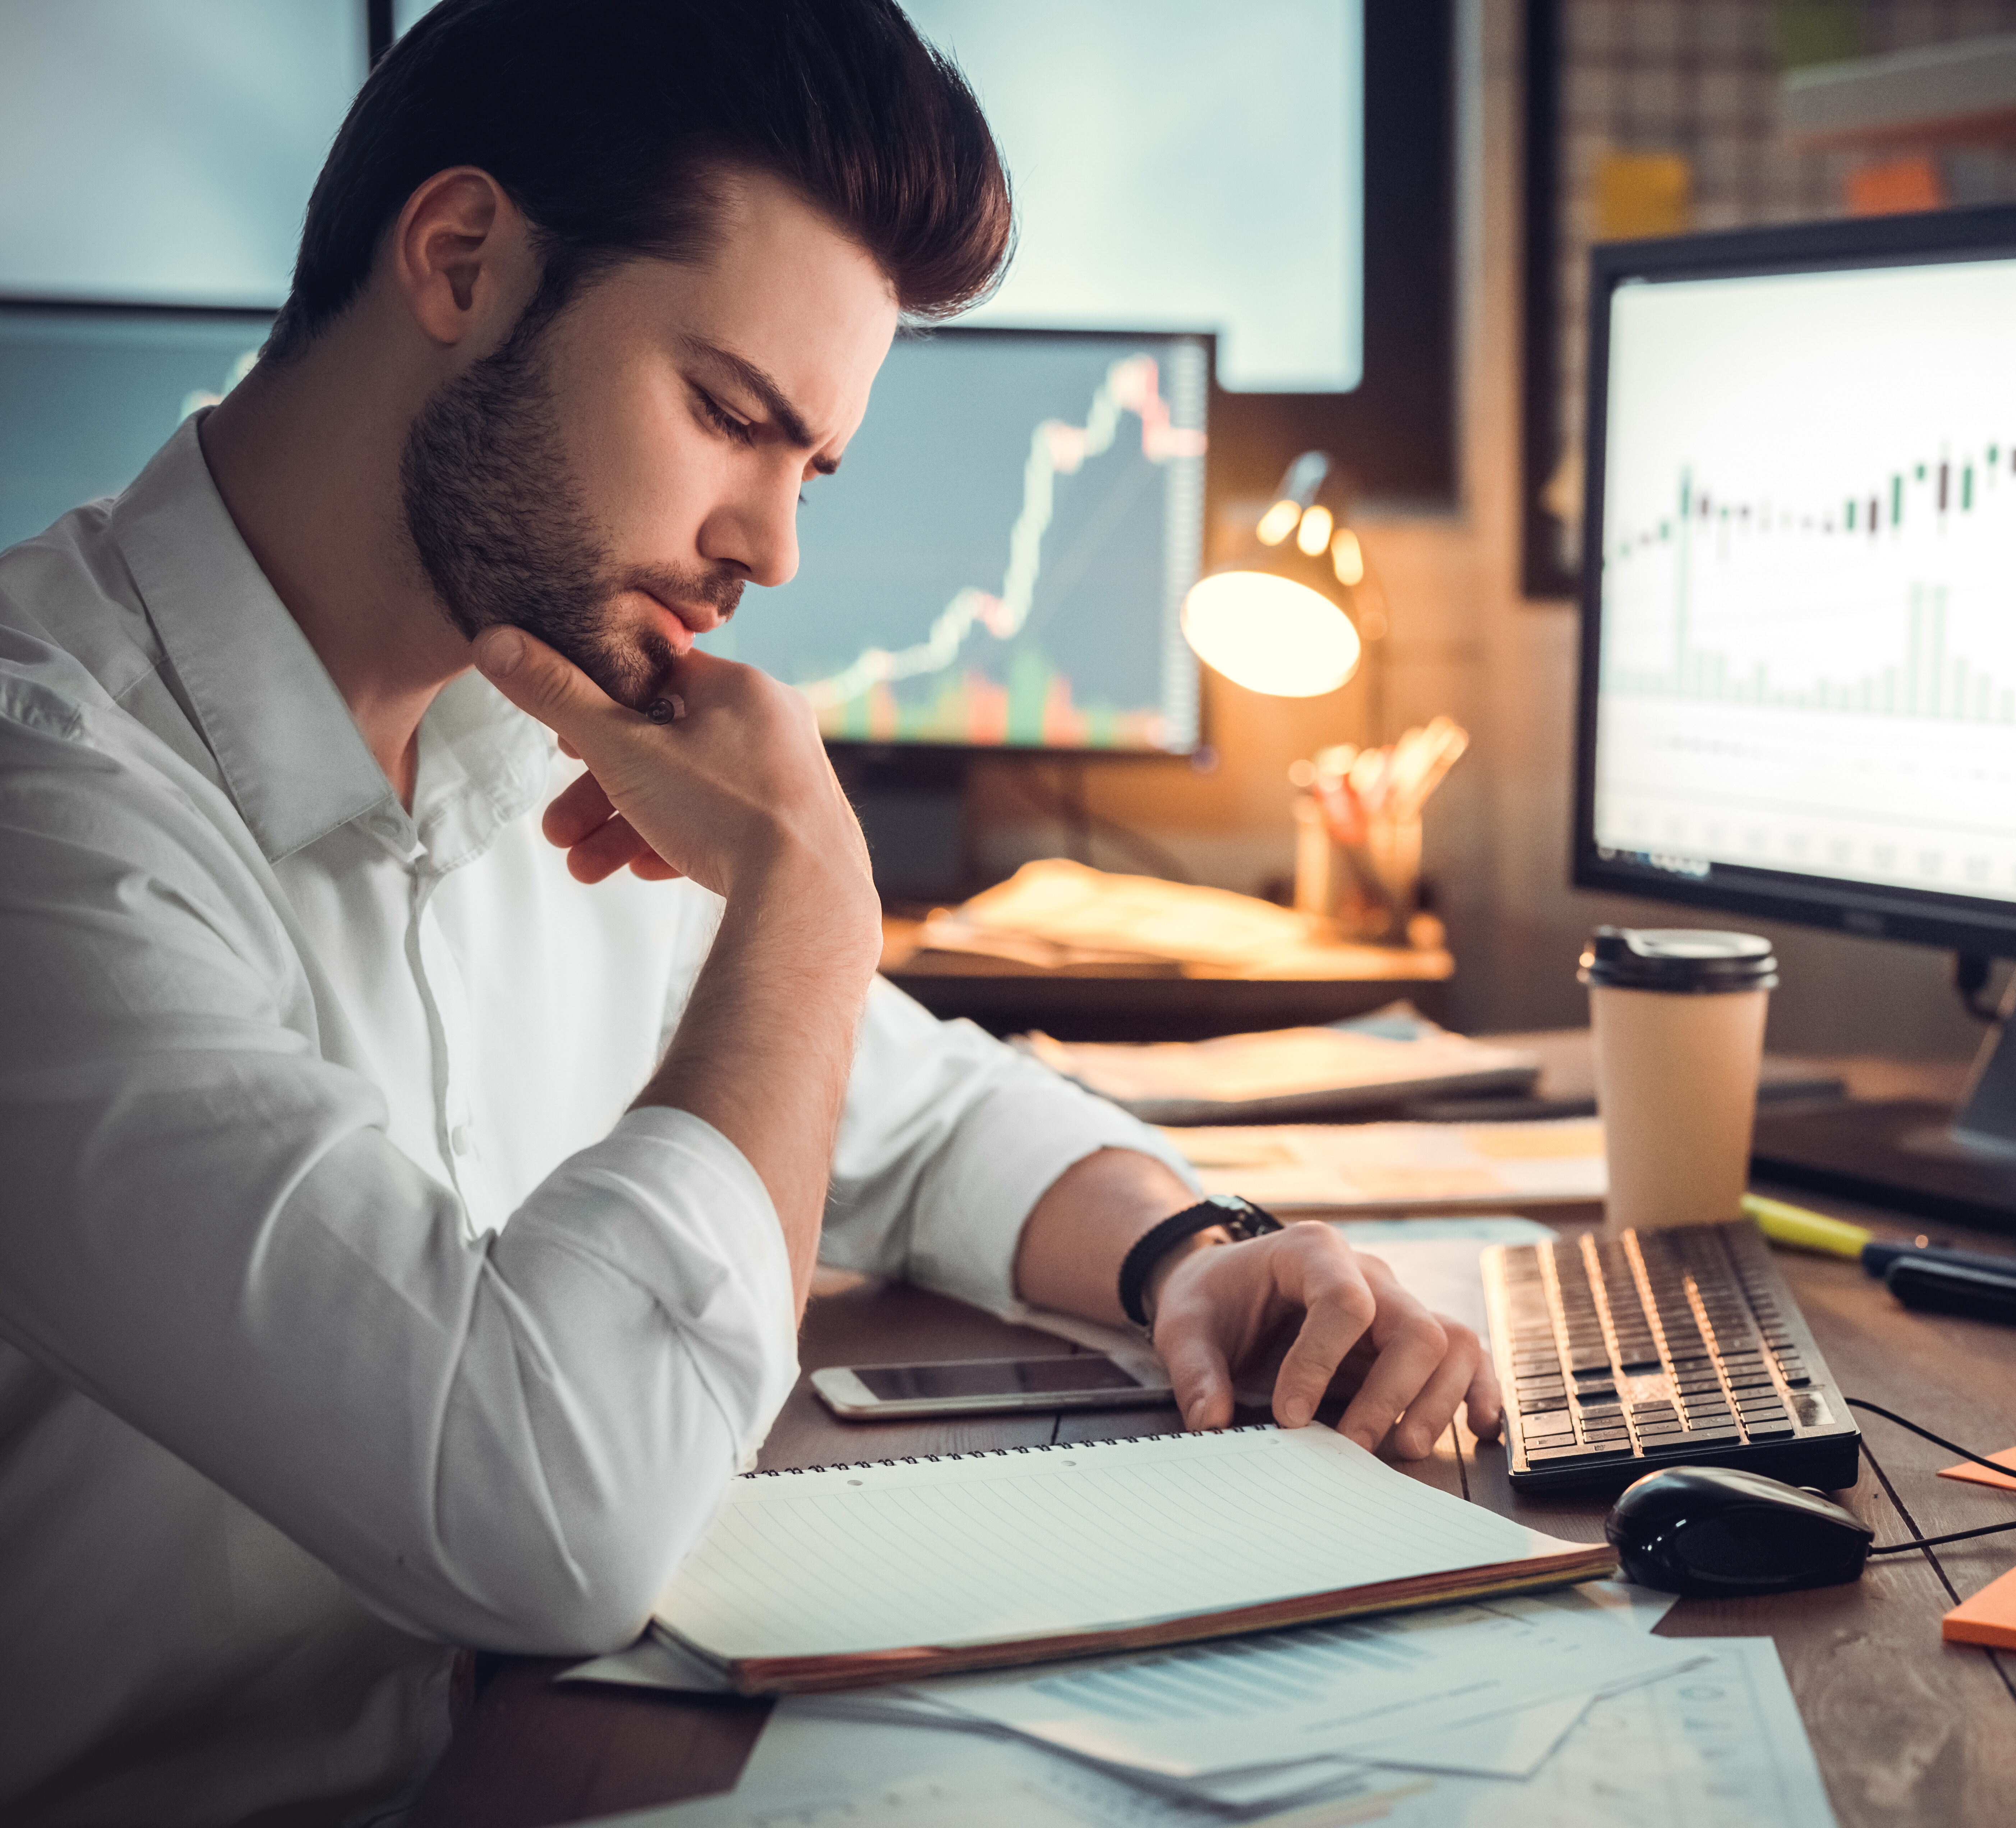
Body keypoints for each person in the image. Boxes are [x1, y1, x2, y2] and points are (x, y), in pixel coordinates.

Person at [0, 2, 1501, 1821]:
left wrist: (1192, 1251)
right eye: (728, 416)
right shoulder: (53, 810)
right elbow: (543, 1516)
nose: (771, 549)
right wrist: (805, 898)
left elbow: (909, 1107)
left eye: (814, 466)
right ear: (462, 260)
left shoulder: (538, 721)